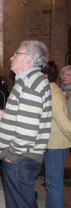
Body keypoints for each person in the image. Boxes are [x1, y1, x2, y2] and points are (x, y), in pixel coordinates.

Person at [0, 40, 52, 208]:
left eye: (16, 54)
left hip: (20, 157)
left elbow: (27, 130)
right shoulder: (31, 81)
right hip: (23, 156)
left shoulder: (31, 83)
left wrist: (11, 156)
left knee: (20, 204)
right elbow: (29, 116)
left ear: (29, 58)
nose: (12, 57)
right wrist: (7, 115)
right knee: (19, 202)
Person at [42, 59, 71, 208]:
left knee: (53, 185)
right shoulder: (51, 90)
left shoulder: (53, 93)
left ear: (45, 76)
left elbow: (63, 122)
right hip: (52, 143)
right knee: (53, 184)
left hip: (56, 145)